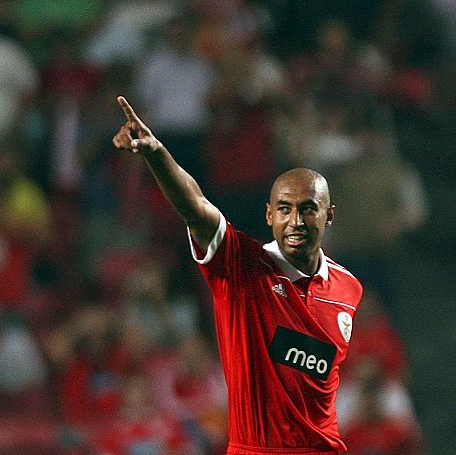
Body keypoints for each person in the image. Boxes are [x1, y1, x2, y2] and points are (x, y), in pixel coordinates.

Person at [111, 95, 364, 454]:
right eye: (284, 209)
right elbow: (196, 209)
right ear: (268, 215)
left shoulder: (348, 288)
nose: (295, 221)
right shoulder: (242, 266)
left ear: (329, 216)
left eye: (308, 209)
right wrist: (156, 153)